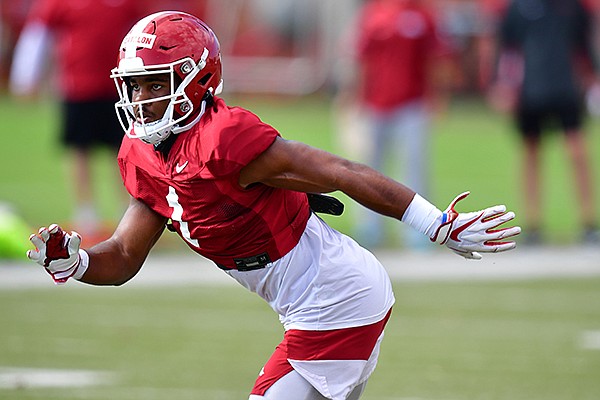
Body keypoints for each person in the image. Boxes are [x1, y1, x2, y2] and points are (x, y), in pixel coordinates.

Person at [26, 11, 521, 400]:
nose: (143, 98)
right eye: (137, 85)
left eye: (157, 83)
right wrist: (78, 262)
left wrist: (436, 224)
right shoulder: (142, 156)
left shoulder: (225, 140)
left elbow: (340, 172)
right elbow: (126, 257)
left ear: (197, 80)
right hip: (306, 303)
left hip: (337, 296)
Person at [9, 0, 145, 243]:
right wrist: (25, 77)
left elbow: (141, 33)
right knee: (79, 150)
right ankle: (86, 214)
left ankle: (130, 213)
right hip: (78, 87)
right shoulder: (61, 2)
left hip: (120, 88)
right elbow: (38, 35)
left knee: (127, 150)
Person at [336, 0, 450, 250]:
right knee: (368, 169)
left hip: (412, 103)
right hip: (375, 103)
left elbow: (434, 58)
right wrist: (353, 97)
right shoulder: (374, 15)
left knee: (415, 167)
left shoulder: (422, 16)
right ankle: (369, 226)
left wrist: (437, 95)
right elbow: (361, 58)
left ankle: (420, 229)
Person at [493, 0, 599, 244]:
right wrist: (503, 84)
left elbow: (583, 46)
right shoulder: (519, 7)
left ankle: (589, 223)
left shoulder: (573, 6)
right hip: (531, 90)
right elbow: (508, 48)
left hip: (566, 89)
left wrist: (592, 78)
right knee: (531, 154)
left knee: (578, 152)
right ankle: (533, 225)